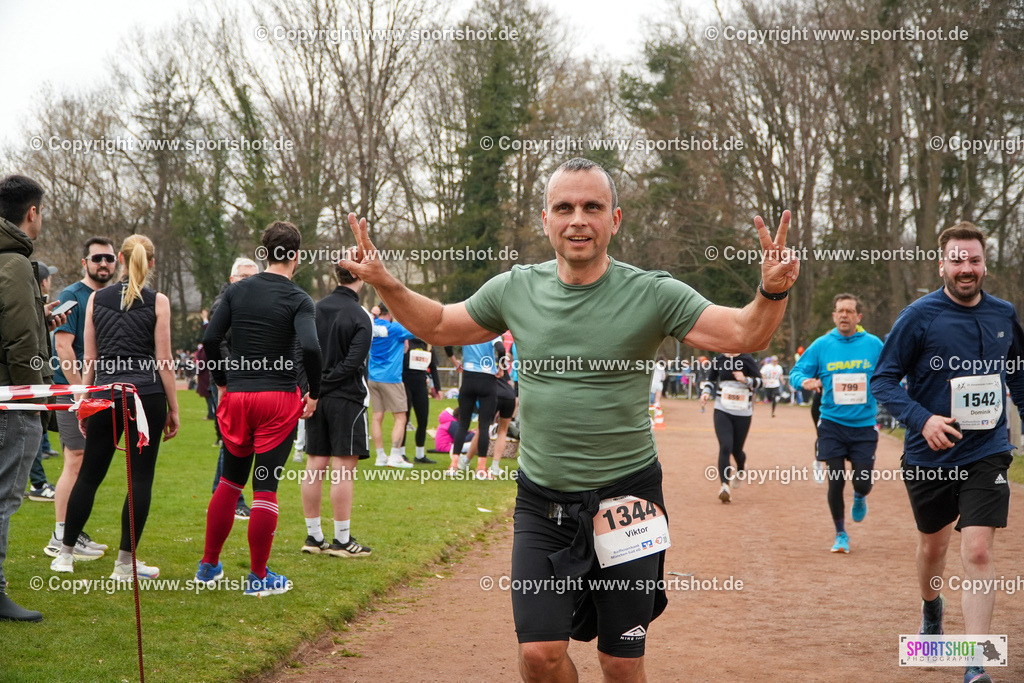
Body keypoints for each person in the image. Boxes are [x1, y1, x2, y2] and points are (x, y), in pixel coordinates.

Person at [339, 157, 798, 681]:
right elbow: (441, 324)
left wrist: (772, 291)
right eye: (565, 207)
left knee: (620, 662)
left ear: (615, 219)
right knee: (539, 654)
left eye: (592, 207)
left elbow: (743, 334)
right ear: (545, 220)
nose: (578, 218)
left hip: (629, 499)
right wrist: (385, 282)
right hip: (543, 501)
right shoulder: (516, 289)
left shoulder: (653, 293)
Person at [872, 223, 1022, 683]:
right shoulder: (917, 317)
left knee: (977, 550)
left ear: (984, 265)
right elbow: (883, 381)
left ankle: (974, 662)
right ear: (942, 264)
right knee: (933, 548)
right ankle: (931, 609)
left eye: (973, 260)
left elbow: (1018, 376)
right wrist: (923, 420)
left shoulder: (1003, 314)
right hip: (930, 455)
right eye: (957, 260)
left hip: (988, 450)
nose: (966, 269)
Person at [195, 222, 321, 597]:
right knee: (265, 485)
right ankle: (258, 577)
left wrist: (220, 381)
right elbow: (312, 348)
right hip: (277, 400)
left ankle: (208, 566)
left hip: (237, 396)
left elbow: (210, 338)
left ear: (263, 253)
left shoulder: (237, 292)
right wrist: (314, 392)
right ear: (296, 256)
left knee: (230, 482)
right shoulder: (299, 299)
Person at [49, 235, 180, 580]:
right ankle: (124, 563)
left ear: (120, 259)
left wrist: (83, 402)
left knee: (90, 473)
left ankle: (65, 553)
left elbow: (88, 357)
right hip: (146, 394)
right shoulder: (158, 301)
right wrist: (174, 408)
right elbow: (164, 360)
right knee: (140, 478)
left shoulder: (96, 298)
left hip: (106, 392)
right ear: (151, 263)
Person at [0, 174, 67, 621]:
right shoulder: (17, 264)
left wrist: (41, 319)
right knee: (5, 496)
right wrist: (36, 401)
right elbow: (21, 342)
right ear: (32, 212)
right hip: (12, 400)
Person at [788, 294, 884, 554]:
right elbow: (796, 372)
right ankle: (841, 533)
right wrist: (803, 382)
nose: (844, 315)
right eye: (840, 311)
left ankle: (860, 495)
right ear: (833, 316)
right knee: (836, 480)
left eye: (849, 311)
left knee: (862, 482)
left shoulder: (874, 345)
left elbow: (891, 373)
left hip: (864, 425)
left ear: (858, 317)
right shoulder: (822, 345)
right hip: (831, 424)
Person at [43, 237, 116, 560]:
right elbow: (62, 347)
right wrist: (79, 391)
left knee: (86, 462)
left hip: (98, 390)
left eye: (109, 258)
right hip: (73, 391)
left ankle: (73, 531)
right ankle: (60, 535)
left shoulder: (110, 297)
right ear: (84, 263)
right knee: (74, 459)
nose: (104, 263)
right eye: (97, 258)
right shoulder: (71, 296)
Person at [300, 262, 373, 558]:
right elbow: (352, 364)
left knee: (315, 465)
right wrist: (321, 387)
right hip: (346, 399)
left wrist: (311, 389)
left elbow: (300, 352)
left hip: (317, 397)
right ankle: (342, 540)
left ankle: (314, 536)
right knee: (343, 470)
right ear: (359, 276)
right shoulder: (361, 315)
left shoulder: (314, 309)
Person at [203, 257, 260, 520]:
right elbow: (217, 343)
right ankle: (233, 498)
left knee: (237, 442)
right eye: (244, 277)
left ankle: (225, 494)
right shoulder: (223, 304)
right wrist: (228, 377)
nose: (250, 282)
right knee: (233, 441)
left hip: (246, 380)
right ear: (232, 279)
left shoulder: (251, 304)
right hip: (227, 380)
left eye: (254, 277)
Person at [699, 353, 762, 503]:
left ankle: (740, 468)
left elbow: (760, 383)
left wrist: (745, 379)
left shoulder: (747, 359)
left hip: (743, 411)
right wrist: (706, 392)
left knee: (737, 450)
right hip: (722, 409)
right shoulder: (719, 360)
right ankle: (724, 486)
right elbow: (711, 380)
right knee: (725, 446)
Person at [445, 338, 503, 473]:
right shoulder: (492, 331)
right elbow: (501, 349)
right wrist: (501, 369)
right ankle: (481, 468)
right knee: (484, 426)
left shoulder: (467, 330)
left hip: (469, 378)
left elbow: (447, 343)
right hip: (487, 379)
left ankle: (454, 465)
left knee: (463, 424)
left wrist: (455, 362)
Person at [368, 303, 416, 468]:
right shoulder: (395, 328)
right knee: (401, 417)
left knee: (377, 417)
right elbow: (417, 330)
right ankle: (395, 455)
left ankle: (380, 456)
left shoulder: (371, 325)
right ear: (391, 312)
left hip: (373, 377)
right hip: (391, 378)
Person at [26, 261, 58, 502]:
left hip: (36, 377)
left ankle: (38, 481)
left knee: (37, 434)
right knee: (33, 432)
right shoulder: (27, 301)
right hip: (31, 379)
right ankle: (38, 483)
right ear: (44, 282)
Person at [401, 338, 442, 464]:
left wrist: (438, 388)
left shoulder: (428, 345)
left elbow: (433, 367)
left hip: (421, 386)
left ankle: (420, 455)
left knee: (423, 420)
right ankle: (400, 453)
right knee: (404, 419)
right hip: (405, 383)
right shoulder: (406, 342)